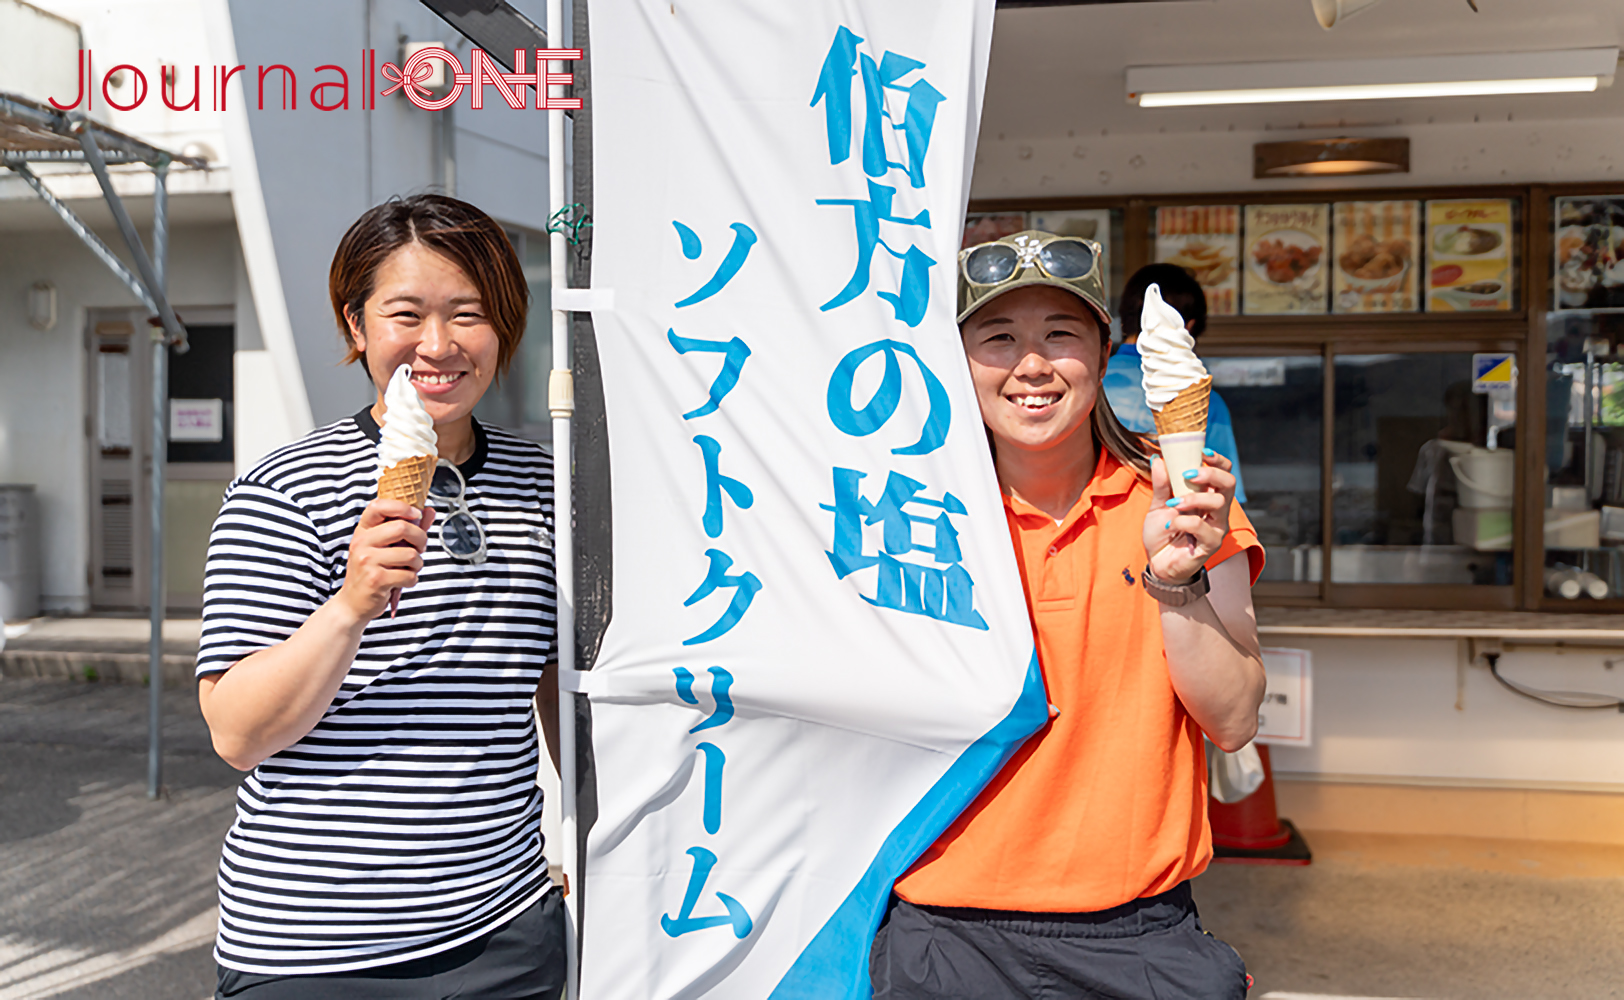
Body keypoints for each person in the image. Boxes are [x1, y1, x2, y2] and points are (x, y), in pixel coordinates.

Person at [869, 231, 1267, 1000]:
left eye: (1060, 334)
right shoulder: (910, 520)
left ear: (1104, 350)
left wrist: (1174, 578)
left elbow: (1235, 719)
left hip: (1138, 939)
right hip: (943, 937)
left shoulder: (1179, 500)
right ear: (958, 360)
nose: (1032, 365)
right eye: (998, 338)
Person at [196, 194, 564, 999]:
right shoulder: (282, 490)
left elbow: (558, 699)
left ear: (504, 327)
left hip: (505, 934)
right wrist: (351, 604)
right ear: (355, 325)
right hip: (312, 952)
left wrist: (605, 854)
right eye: (407, 314)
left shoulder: (548, 486)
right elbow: (237, 733)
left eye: (468, 314)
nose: (438, 345)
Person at [1104, 262, 1248, 503]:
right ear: (1187, 327)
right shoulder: (1208, 401)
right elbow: (1227, 497)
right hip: (1178, 528)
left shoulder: (1086, 386)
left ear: (1122, 322)